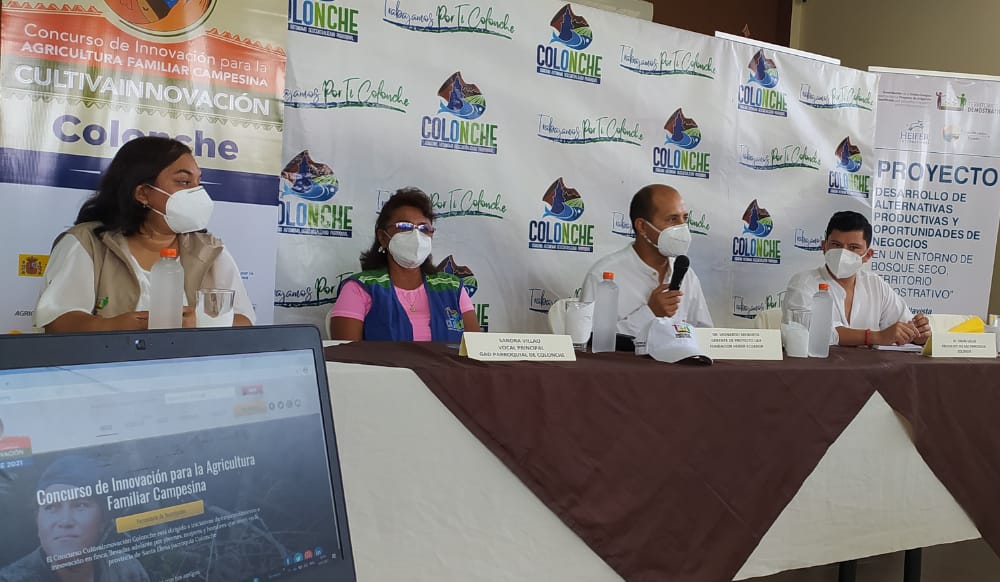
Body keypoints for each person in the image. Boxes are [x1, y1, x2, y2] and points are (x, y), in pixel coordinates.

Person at [33, 136, 254, 332]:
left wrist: (202, 322)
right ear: (143, 193)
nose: (197, 192)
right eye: (184, 182)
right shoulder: (87, 243)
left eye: (198, 182)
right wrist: (115, 327)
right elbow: (58, 322)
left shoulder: (209, 249)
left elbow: (244, 320)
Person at [330, 188, 480, 341]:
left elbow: (476, 349)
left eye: (424, 228)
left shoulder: (452, 287)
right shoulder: (359, 288)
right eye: (404, 226)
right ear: (383, 237)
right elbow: (346, 352)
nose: (416, 235)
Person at [580, 184, 713, 336]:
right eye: (672, 219)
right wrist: (649, 313)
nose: (682, 227)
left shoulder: (687, 275)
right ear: (642, 226)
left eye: (685, 218)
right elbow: (589, 341)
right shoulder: (602, 277)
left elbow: (705, 335)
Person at [783, 210, 930, 347]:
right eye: (836, 245)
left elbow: (905, 327)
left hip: (870, 367)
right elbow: (808, 331)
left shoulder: (875, 284)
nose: (843, 253)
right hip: (818, 366)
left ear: (867, 255)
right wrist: (875, 337)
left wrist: (917, 335)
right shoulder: (803, 283)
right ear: (824, 247)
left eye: (853, 247)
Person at [0, 455, 148, 582]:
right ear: (37, 520)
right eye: (51, 507)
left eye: (80, 505)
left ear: (102, 521)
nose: (66, 521)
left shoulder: (125, 569)